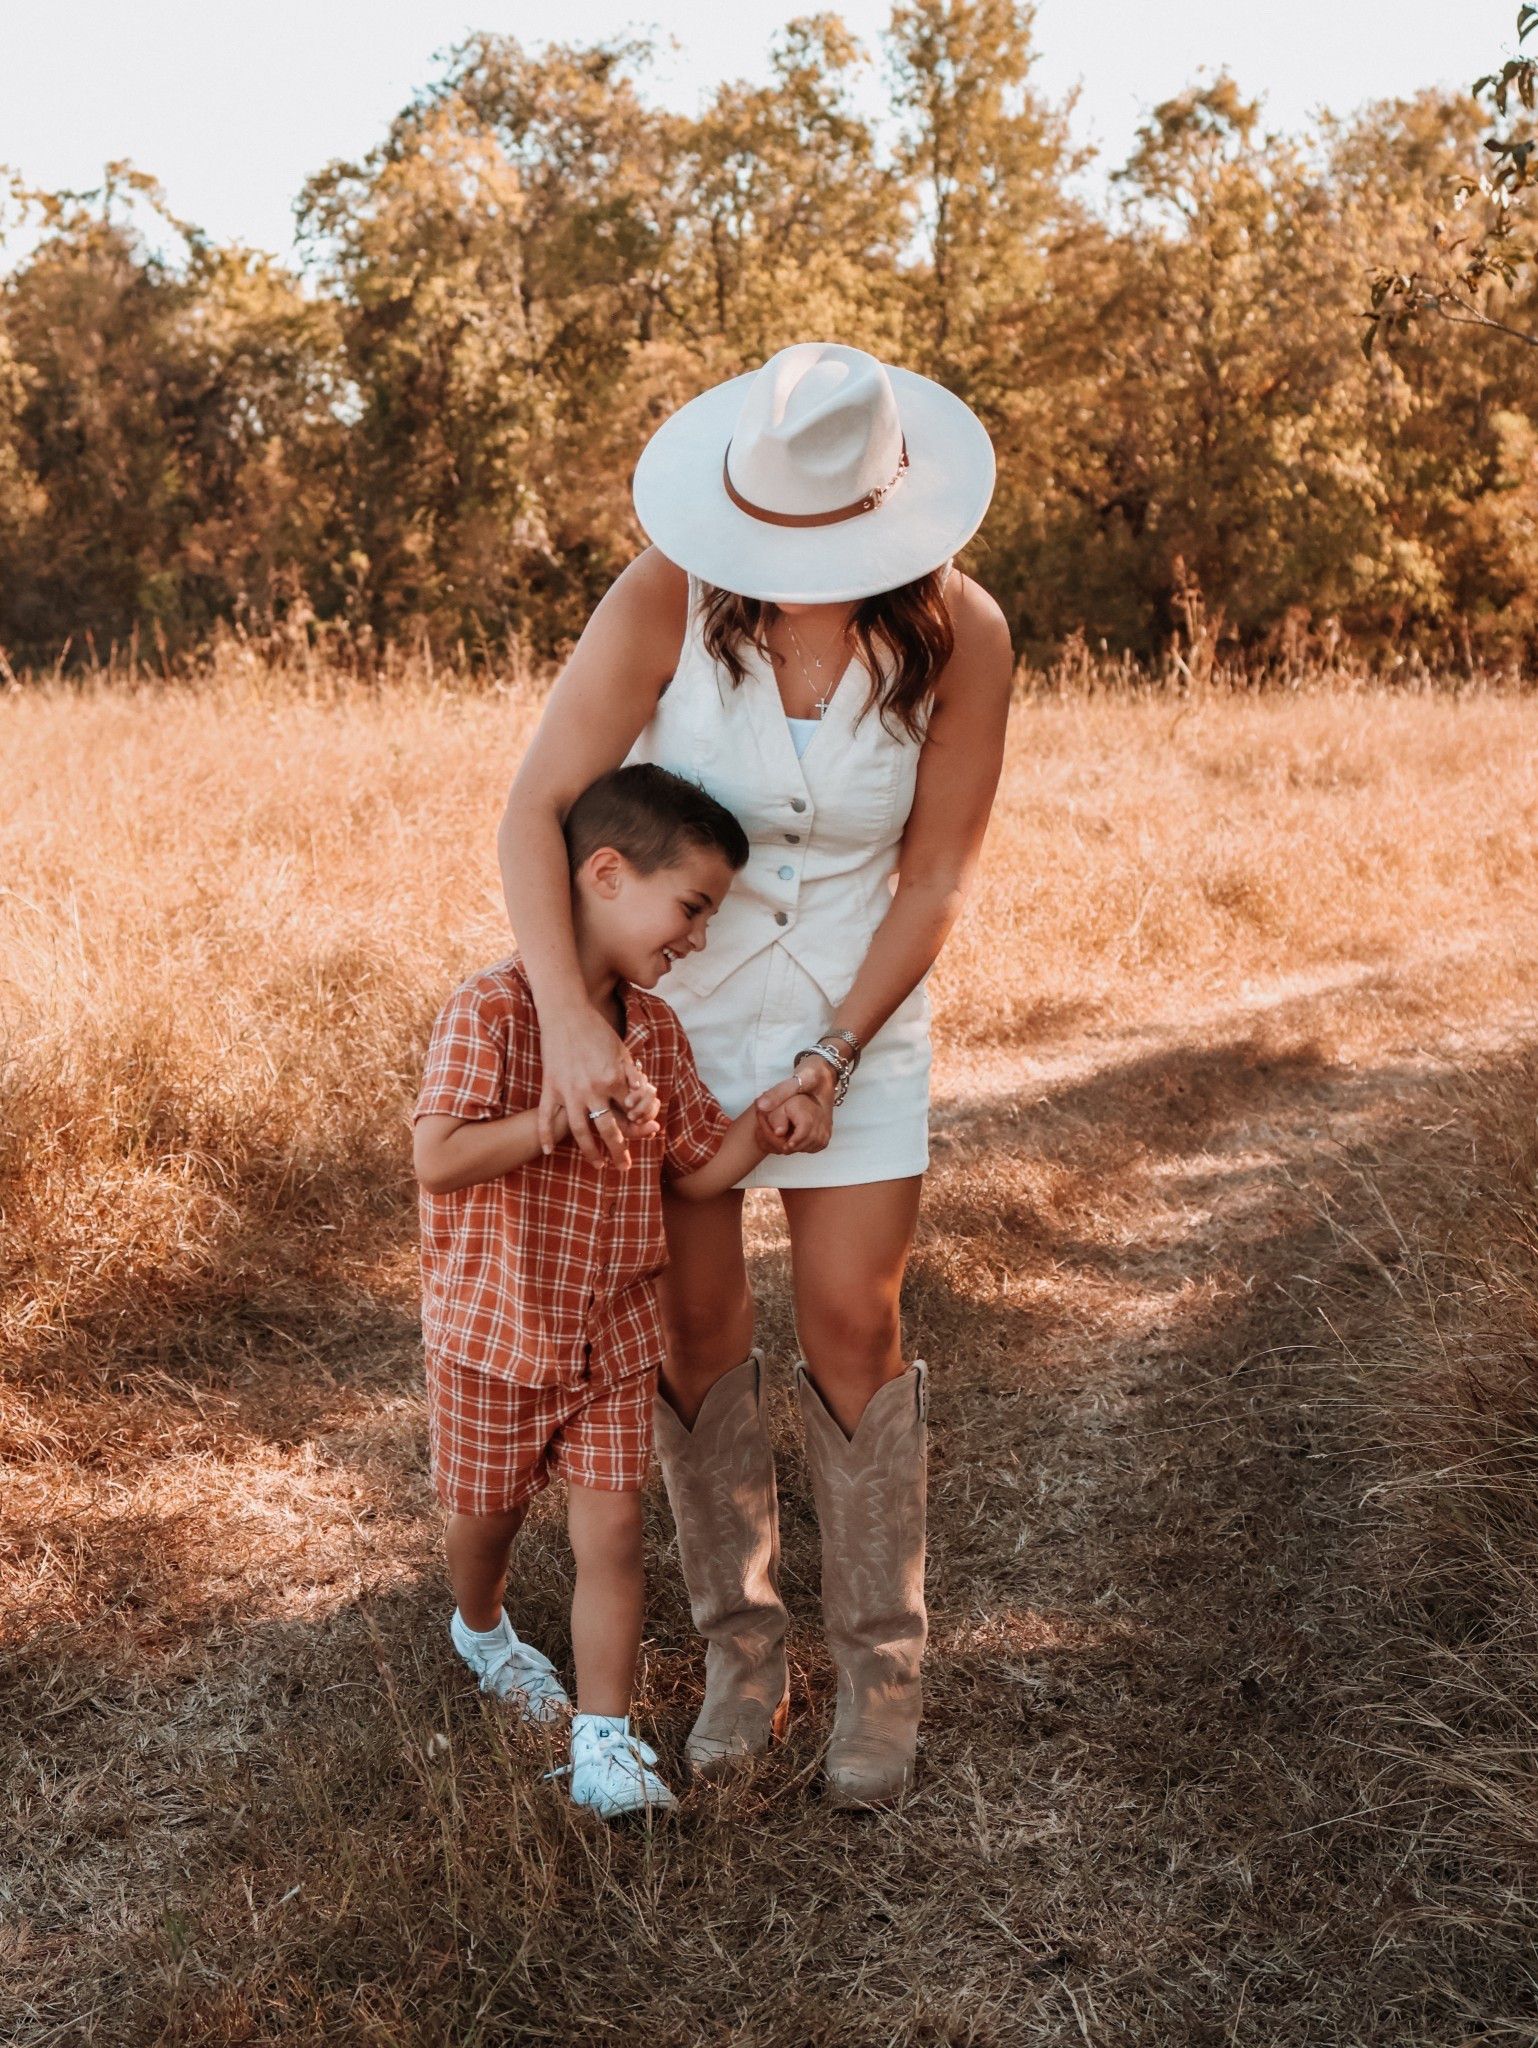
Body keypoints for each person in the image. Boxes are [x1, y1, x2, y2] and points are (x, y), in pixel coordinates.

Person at [499, 341, 1013, 1807]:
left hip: (860, 1016)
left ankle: (880, 1675)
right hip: (673, 1015)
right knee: (697, 1335)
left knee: (854, 1318)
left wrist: (835, 1050)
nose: (795, 564)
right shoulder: (662, 594)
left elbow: (930, 882)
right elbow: (534, 810)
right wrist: (578, 1018)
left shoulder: (966, 634)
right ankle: (742, 1660)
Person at [413, 764, 816, 1819]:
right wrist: (556, 1114)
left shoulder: (659, 1031)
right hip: (493, 1327)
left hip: (611, 1331)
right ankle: (482, 1626)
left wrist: (758, 1130)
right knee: (485, 1522)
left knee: (614, 1534)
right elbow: (439, 1159)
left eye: (708, 915)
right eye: (689, 906)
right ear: (603, 872)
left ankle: (603, 1740)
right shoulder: (492, 1008)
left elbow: (690, 1164)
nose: (696, 936)